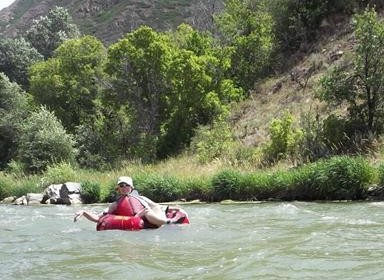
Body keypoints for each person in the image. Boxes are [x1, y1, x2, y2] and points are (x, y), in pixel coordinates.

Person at [74, 176, 168, 227]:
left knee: (147, 211)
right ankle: (165, 221)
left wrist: (160, 212)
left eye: (126, 185)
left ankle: (166, 221)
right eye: (121, 185)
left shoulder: (142, 198)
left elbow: (156, 206)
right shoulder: (115, 204)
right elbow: (98, 218)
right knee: (146, 211)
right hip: (135, 222)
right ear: (118, 189)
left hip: (150, 217)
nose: (124, 187)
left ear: (131, 188)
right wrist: (84, 212)